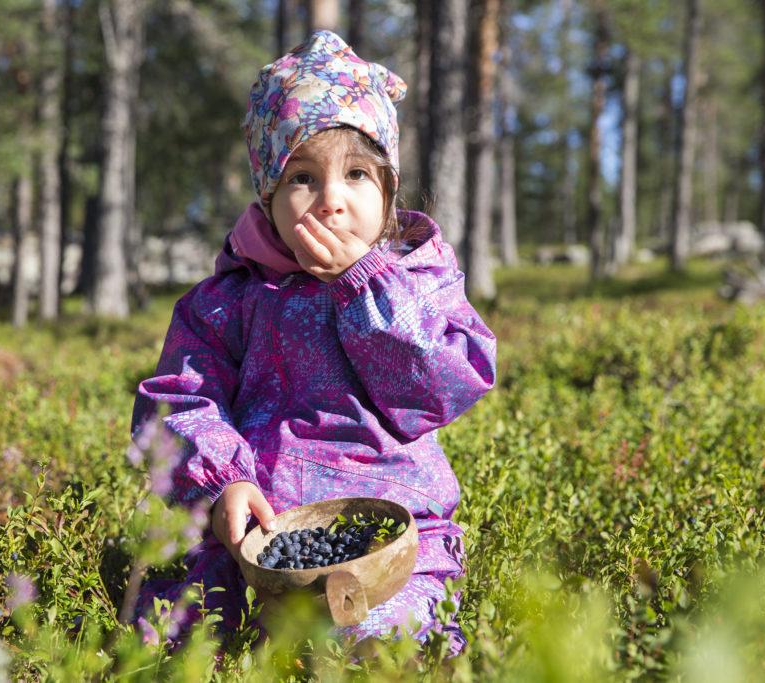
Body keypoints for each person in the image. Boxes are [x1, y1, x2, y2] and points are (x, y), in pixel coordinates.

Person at [129, 30, 496, 658]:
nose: (330, 200)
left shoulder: (417, 281)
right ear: (267, 195)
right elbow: (178, 402)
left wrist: (368, 288)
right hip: (253, 528)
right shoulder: (228, 299)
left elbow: (438, 388)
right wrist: (221, 485)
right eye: (302, 177)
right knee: (176, 626)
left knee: (386, 638)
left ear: (387, 189)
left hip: (388, 526)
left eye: (356, 174)